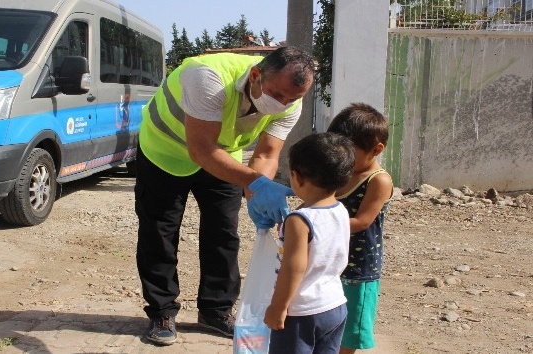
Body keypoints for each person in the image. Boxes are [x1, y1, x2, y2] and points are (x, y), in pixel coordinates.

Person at [134, 46, 315, 345]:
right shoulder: (208, 77)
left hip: (222, 155)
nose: (283, 104)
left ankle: (215, 310)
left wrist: (256, 192)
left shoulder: (289, 105)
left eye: (292, 99)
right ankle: (161, 312)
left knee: (223, 231)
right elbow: (201, 149)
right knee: (160, 230)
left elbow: (268, 154)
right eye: (278, 94)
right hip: (165, 149)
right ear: (256, 75)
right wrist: (254, 182)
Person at [264, 132, 355, 354]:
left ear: (297, 177)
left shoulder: (299, 221)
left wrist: (279, 307)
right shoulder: (340, 210)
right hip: (334, 305)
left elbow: (294, 268)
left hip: (302, 312)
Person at [326, 103, 393, 354]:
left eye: (349, 151)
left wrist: (317, 225)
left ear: (376, 149)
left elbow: (362, 221)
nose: (341, 156)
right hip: (330, 262)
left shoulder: (379, 180)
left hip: (359, 267)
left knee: (349, 333)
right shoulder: (341, 170)